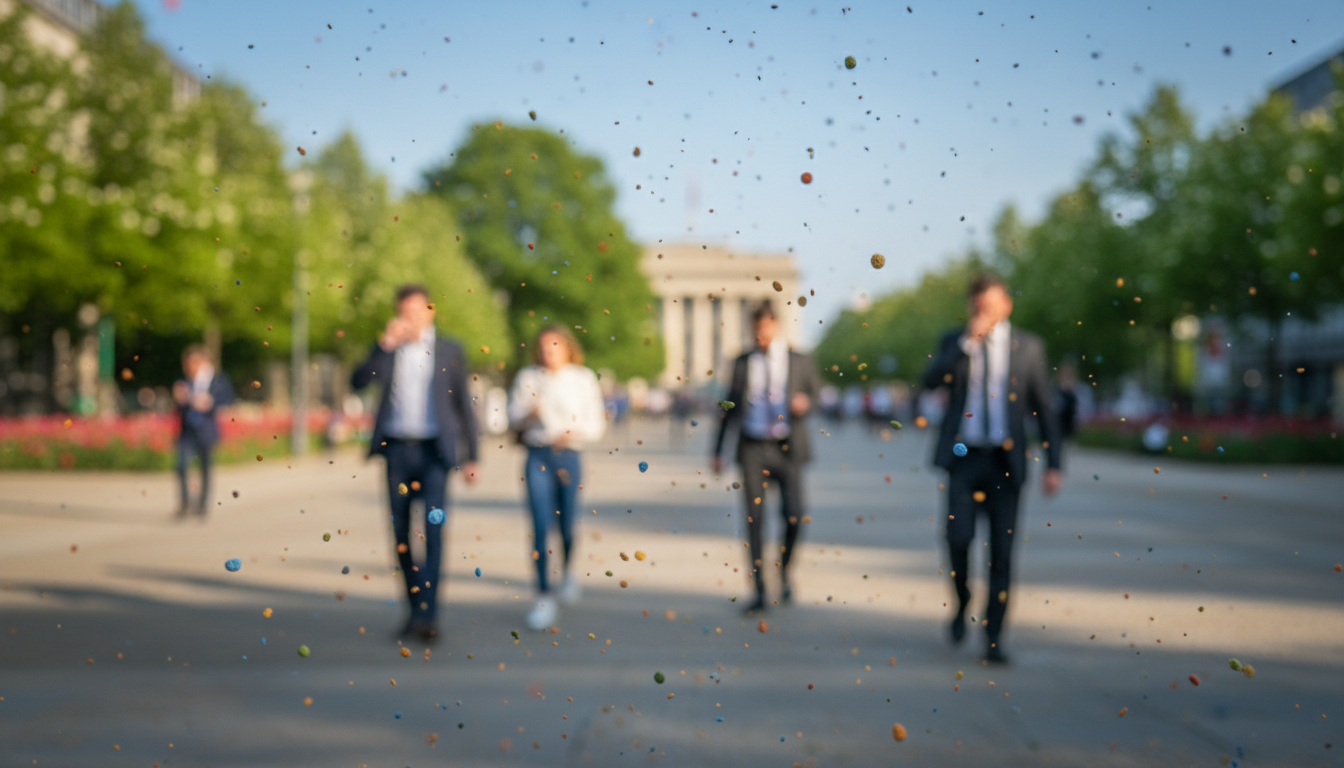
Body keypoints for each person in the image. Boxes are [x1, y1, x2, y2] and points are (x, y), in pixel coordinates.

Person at [921, 274, 1063, 664]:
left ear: (1006, 307)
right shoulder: (954, 343)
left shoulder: (1029, 348)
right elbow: (930, 381)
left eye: (990, 306)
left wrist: (1054, 463)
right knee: (957, 538)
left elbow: (1043, 407)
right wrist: (969, 343)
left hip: (1005, 460)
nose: (983, 312)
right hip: (964, 455)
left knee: (1002, 553)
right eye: (978, 306)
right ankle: (962, 598)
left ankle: (994, 636)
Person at [351, 284, 479, 641]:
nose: (410, 319)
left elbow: (463, 405)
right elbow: (357, 382)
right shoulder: (388, 350)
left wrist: (473, 457)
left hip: (435, 453)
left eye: (416, 311)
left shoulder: (449, 350)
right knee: (402, 535)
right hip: (397, 452)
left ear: (430, 311)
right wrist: (383, 345)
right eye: (404, 312)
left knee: (434, 532)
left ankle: (429, 614)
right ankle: (413, 610)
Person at [712, 303, 822, 614]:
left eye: (765, 328)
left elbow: (817, 393)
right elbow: (727, 408)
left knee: (794, 515)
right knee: (754, 519)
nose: (760, 335)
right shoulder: (741, 363)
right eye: (755, 330)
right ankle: (759, 589)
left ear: (776, 327)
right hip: (752, 446)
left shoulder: (799, 360)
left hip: (788, 446)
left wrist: (806, 402)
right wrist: (717, 451)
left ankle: (784, 570)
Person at [507, 326, 607, 631]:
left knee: (566, 523)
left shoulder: (583, 378)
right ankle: (542, 594)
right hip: (538, 454)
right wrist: (529, 414)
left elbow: (596, 424)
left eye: (555, 347)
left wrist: (574, 433)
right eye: (544, 348)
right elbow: (511, 418)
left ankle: (566, 570)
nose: (549, 353)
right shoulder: (528, 378)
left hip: (569, 455)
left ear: (567, 348)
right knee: (539, 524)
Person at [172, 345, 234, 518]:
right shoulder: (184, 380)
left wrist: (210, 403)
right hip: (187, 431)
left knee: (205, 468)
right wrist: (179, 398)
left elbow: (227, 398)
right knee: (181, 465)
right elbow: (178, 402)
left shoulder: (217, 379)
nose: (187, 367)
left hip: (206, 430)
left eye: (190, 363)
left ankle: (202, 505)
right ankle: (184, 502)